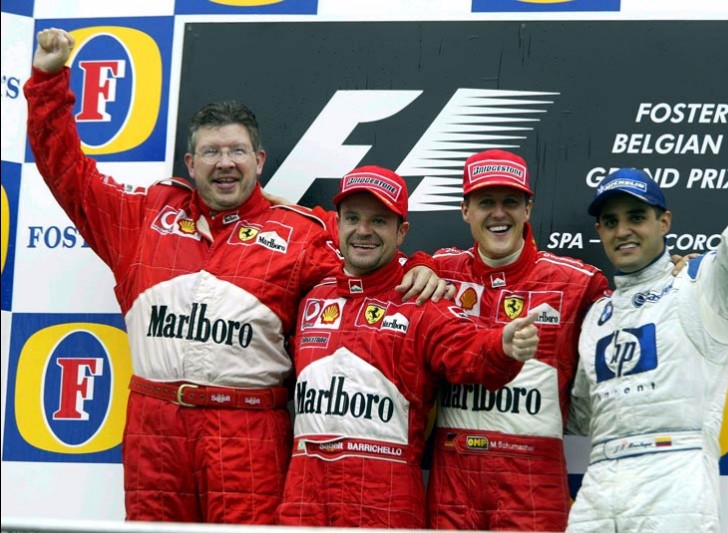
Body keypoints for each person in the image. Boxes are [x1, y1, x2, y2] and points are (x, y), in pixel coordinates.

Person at [24, 28, 445, 524]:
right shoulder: (142, 218)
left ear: (259, 161)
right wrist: (48, 82)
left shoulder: (299, 233)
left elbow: (369, 247)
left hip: (246, 428)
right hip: (154, 428)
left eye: (237, 151)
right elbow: (68, 173)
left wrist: (420, 264)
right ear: (190, 162)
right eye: (211, 152)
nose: (225, 163)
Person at [566, 59, 728, 532]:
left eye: (636, 216)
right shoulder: (595, 317)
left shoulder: (700, 286)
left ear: (664, 222)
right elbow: (581, 415)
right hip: (597, 493)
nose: (623, 230)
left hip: (675, 489)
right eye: (610, 222)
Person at [275, 165, 541, 528]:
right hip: (304, 499)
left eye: (380, 221)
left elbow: (470, 350)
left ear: (401, 232)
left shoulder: (421, 298)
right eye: (353, 218)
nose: (363, 231)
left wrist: (502, 346)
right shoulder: (311, 297)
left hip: (384, 503)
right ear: (337, 224)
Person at [425, 149, 610, 531]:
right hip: (453, 480)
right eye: (485, 202)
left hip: (531, 481)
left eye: (510, 202)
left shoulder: (579, 283)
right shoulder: (438, 270)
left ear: (527, 209)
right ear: (465, 211)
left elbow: (638, 307)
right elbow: (368, 255)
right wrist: (418, 265)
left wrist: (673, 270)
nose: (498, 213)